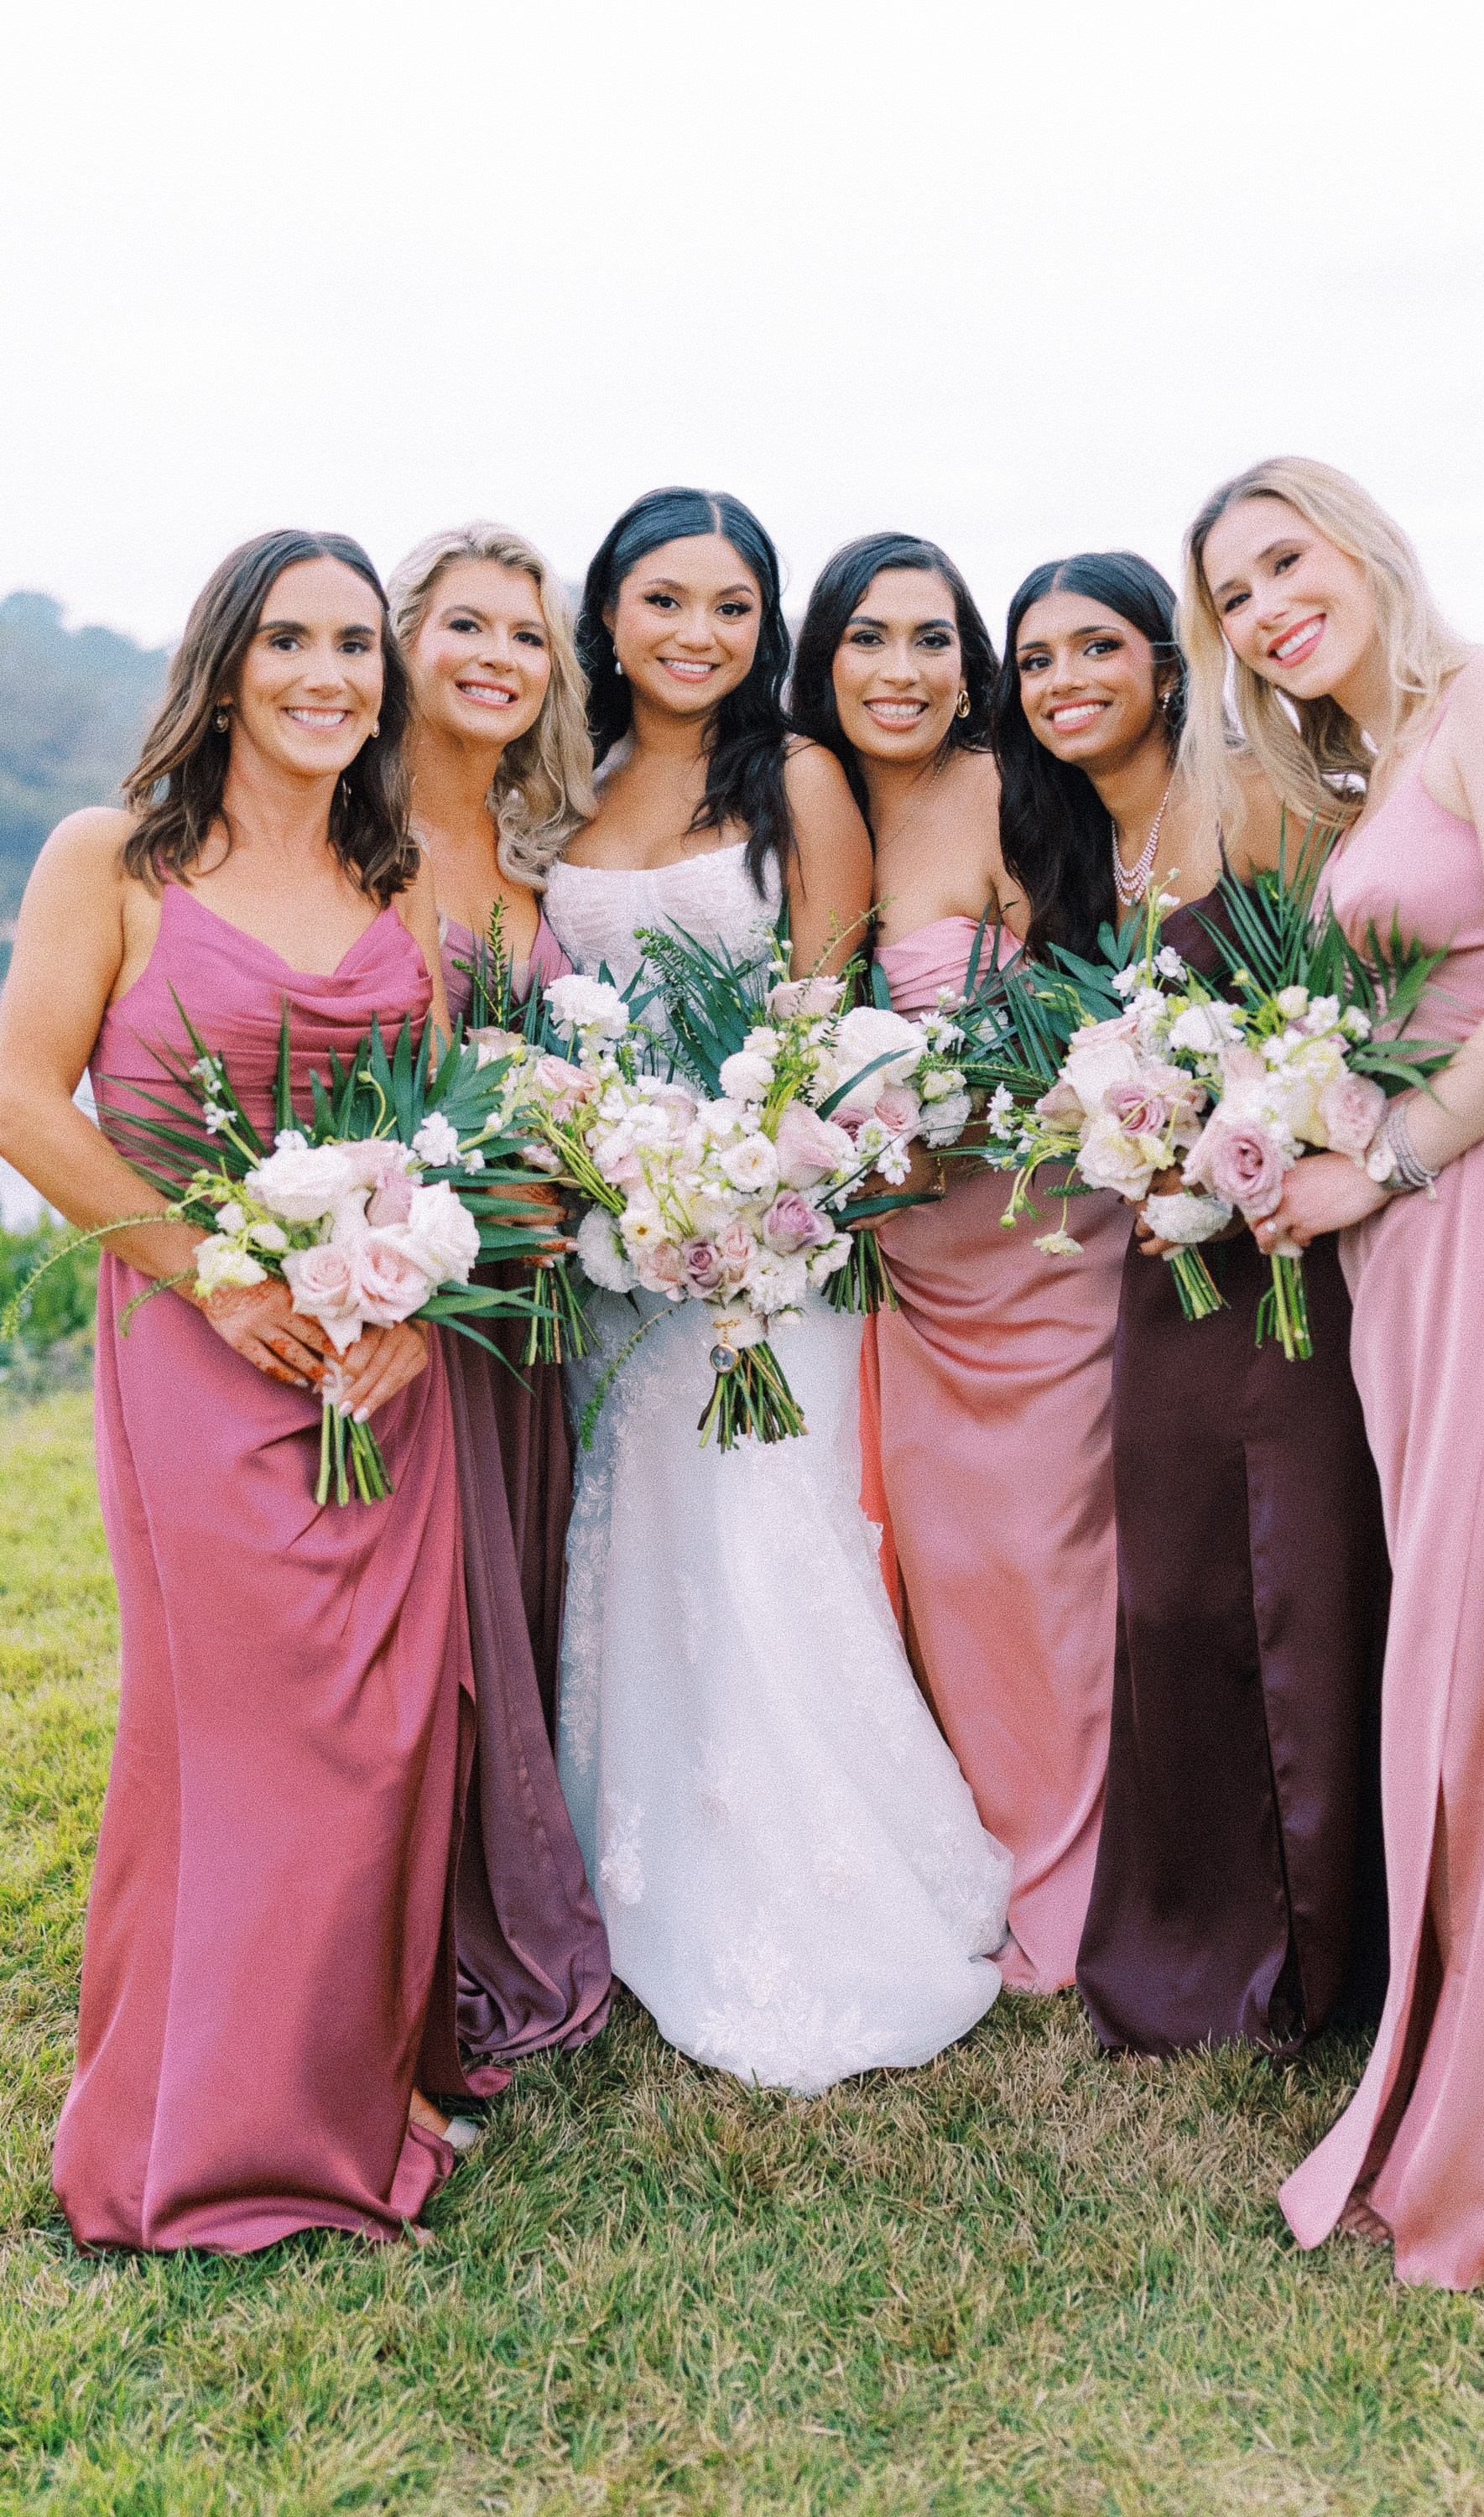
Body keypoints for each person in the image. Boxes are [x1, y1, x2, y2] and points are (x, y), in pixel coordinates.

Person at [1184, 455, 1484, 2288]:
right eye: (1232, 596)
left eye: (1283, 562)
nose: (1266, 608)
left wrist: (1372, 1162)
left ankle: (1481, 2086)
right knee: (1476, 1640)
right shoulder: (1361, 775)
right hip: (1419, 1258)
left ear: (1363, 545)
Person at [0, 530, 508, 2249]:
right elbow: (25, 1099)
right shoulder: (115, 858)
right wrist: (208, 1273)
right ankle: (208, 2124)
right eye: (287, 639)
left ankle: (362, 2083)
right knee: (237, 1737)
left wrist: (421, 1310)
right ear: (222, 664)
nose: (325, 675)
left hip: (381, 1367)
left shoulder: (407, 882)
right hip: (200, 1355)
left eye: (355, 646)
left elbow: (459, 1132)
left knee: (378, 1735)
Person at [546, 487, 1011, 2094]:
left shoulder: (799, 777)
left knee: (772, 1533)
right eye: (664, 600)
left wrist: (747, 1177)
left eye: (733, 607)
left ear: (763, 631)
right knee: (642, 1540)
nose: (698, 634)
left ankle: (826, 1889)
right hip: (621, 1250)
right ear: (606, 613)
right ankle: (638, 1866)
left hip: (770, 1234)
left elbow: (820, 1011)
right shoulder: (571, 786)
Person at [1005, 550, 1390, 2059]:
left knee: (1300, 1574)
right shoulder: (1065, 860)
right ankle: (1197, 1927)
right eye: (1034, 661)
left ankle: (1326, 1947)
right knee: (1169, 1589)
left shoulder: (1263, 799)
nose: (1063, 682)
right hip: (1163, 1262)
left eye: (1094, 647)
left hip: (1290, 1252)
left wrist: (1291, 1113)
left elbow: (1363, 998)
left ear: (1167, 663)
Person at [790, 531, 1116, 1995]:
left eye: (933, 640)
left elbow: (1095, 1020)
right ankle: (977, 1845)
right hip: (905, 1274)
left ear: (970, 665)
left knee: (1042, 1558)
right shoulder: (807, 802)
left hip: (1037, 1252)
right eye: (869, 638)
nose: (902, 671)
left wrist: (962, 1106)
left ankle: (1087, 1874)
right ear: (823, 659)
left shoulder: (1009, 792)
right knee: (938, 1565)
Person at [391, 523, 611, 2066]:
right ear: (402, 640)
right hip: (410, 1300)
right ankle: (409, 1928)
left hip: (531, 1303)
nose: (497, 659)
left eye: (526, 636)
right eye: (464, 625)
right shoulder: (347, 850)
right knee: (425, 1623)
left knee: (519, 1596)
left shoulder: (541, 868)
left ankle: (510, 1875)